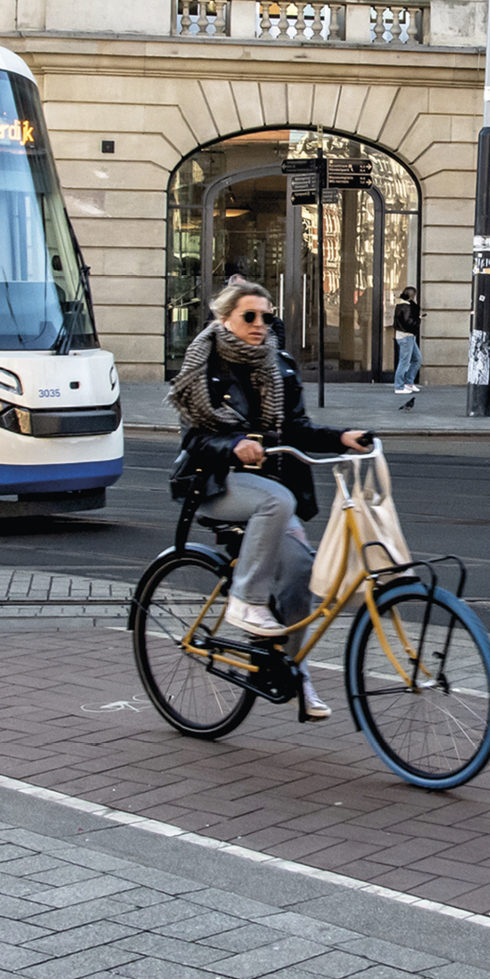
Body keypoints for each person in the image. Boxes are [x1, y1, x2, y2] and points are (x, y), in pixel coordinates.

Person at [169, 280, 372, 719]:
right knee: (277, 501)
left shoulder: (277, 365)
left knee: (301, 572)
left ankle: (287, 668)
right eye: (249, 316)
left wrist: (342, 437)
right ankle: (246, 600)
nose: (260, 324)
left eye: (266, 316)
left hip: (269, 489)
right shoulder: (205, 365)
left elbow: (296, 428)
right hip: (218, 485)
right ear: (226, 319)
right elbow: (196, 438)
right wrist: (234, 444)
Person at [393, 286, 422, 394]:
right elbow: (408, 322)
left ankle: (408, 383)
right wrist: (418, 320)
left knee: (417, 358)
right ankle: (399, 386)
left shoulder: (401, 304)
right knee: (404, 362)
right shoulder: (406, 306)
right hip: (406, 336)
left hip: (405, 335)